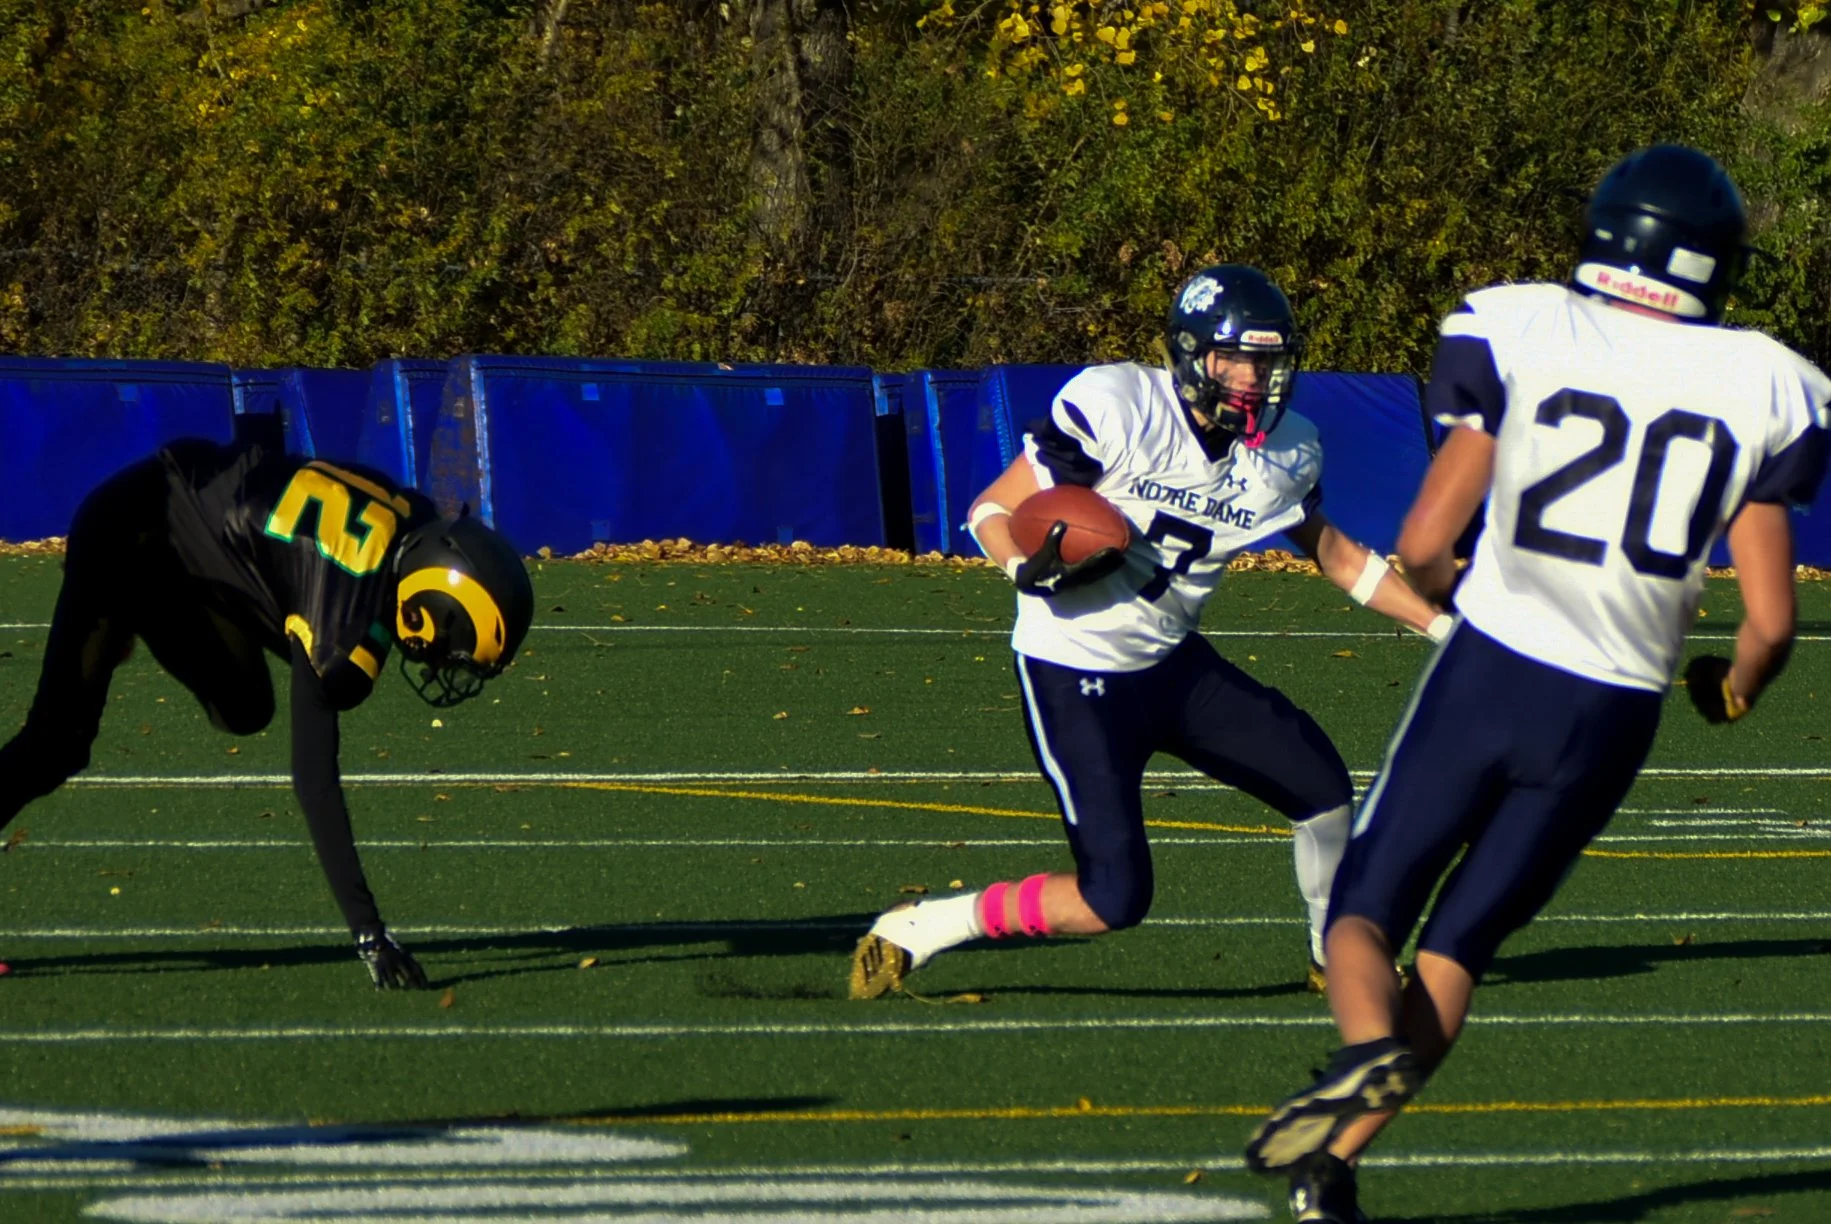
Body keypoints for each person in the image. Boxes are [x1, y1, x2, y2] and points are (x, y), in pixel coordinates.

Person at [1244, 144, 1828, 1223]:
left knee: (1363, 916)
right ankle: (1332, 1169)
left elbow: (1424, 540)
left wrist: (1449, 581)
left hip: (1497, 666)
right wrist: (1733, 690)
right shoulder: (1769, 382)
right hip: (1614, 710)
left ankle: (1367, 1053)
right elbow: (1770, 623)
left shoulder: (1522, 325)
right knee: (1461, 944)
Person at [850, 264, 1452, 1001]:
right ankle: (927, 924)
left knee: (1322, 790)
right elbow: (990, 509)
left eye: (1266, 361)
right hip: (1075, 670)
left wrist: (1440, 627)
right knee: (1113, 900)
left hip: (1171, 664)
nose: (1252, 379)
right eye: (1234, 358)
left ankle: (1336, 960)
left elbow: (1334, 552)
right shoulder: (1120, 404)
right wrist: (1022, 567)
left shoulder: (1286, 450)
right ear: (1191, 353)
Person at [0, 439, 535, 988]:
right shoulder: (343, 608)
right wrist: (369, 933)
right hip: (132, 531)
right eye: (452, 652)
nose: (445, 665)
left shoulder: (415, 523)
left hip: (190, 543)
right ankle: (137, 603)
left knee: (245, 705)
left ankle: (149, 607)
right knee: (57, 741)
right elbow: (314, 779)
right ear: (429, 609)